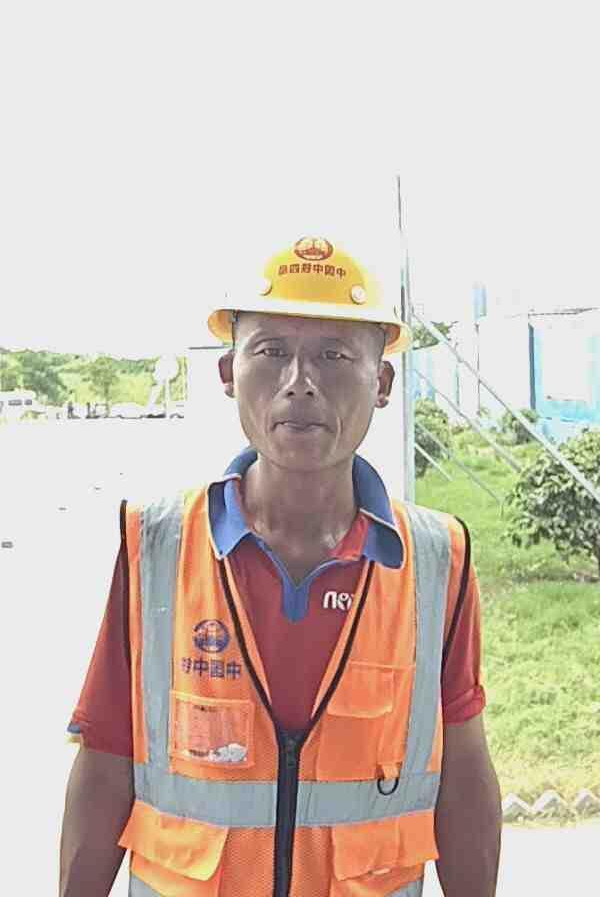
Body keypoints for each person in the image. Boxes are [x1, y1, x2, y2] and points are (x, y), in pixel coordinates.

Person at [60, 236, 502, 897]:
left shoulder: (438, 560)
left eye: (334, 355)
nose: (300, 381)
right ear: (228, 373)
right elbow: (104, 761)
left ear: (381, 383)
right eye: (270, 352)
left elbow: (464, 774)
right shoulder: (155, 543)